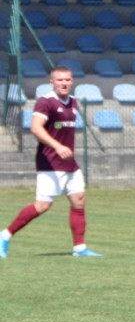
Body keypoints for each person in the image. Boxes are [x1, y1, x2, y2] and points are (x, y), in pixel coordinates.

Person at [1, 65, 101, 258]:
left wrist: (65, 149)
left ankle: (79, 248)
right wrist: (58, 146)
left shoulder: (73, 102)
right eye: (60, 80)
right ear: (52, 82)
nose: (64, 83)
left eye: (67, 80)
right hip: (50, 162)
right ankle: (5, 235)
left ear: (71, 82)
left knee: (79, 201)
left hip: (69, 163)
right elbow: (36, 128)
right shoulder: (45, 102)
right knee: (42, 206)